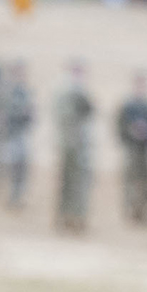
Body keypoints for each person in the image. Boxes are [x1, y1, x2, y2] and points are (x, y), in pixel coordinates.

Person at [115, 71, 147, 226]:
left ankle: (146, 209)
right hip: (132, 147)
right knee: (130, 179)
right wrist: (132, 131)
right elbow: (119, 126)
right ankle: (131, 210)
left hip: (146, 148)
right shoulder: (127, 105)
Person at [53, 61, 95, 233]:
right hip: (74, 145)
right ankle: (73, 216)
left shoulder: (66, 92)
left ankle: (70, 216)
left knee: (71, 182)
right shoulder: (70, 92)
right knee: (75, 182)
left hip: (72, 144)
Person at [0, 61, 35, 210]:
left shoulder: (25, 91)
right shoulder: (5, 91)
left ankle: (18, 196)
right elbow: (2, 114)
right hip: (9, 136)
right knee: (11, 169)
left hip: (22, 134)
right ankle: (11, 196)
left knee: (22, 168)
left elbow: (31, 114)